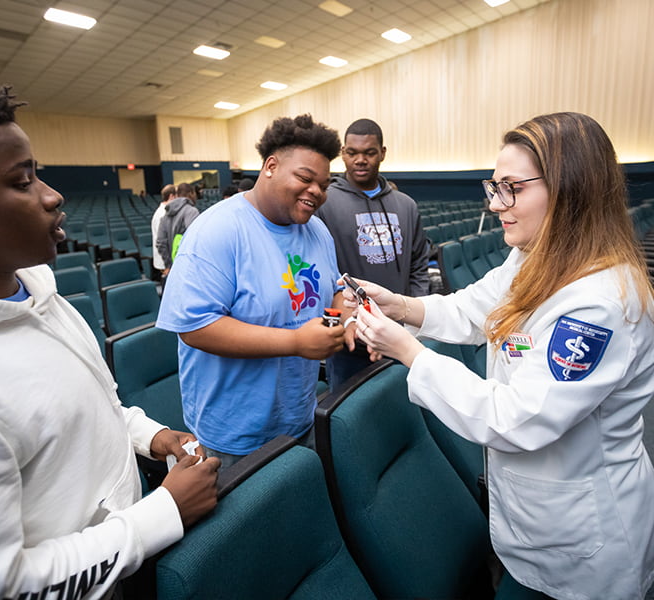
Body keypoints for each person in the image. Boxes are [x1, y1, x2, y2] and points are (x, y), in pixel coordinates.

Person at [0, 74, 220, 597]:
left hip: (118, 564)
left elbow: (87, 406)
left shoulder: (36, 296)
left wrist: (149, 436)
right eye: (22, 180)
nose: (51, 196)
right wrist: (162, 515)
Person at [347, 112, 654, 599]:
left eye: (512, 187)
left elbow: (517, 418)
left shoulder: (600, 303)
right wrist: (401, 305)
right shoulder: (535, 254)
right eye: (495, 186)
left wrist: (410, 353)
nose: (496, 204)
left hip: (585, 542)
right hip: (534, 524)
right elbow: (474, 309)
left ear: (569, 188)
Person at [156, 114, 347, 471]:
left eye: (324, 184)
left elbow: (332, 290)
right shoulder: (216, 230)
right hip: (232, 436)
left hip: (299, 418)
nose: (317, 192)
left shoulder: (318, 231)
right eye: (305, 178)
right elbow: (195, 327)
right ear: (271, 166)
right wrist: (295, 343)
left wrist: (343, 312)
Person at [316, 118, 428, 391]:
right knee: (350, 422)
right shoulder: (325, 203)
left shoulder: (405, 205)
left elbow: (418, 266)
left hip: (401, 333)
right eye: (352, 153)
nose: (360, 160)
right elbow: (323, 276)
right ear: (343, 153)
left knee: (403, 413)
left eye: (369, 152)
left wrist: (412, 319)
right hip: (350, 339)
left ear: (382, 153)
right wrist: (351, 322)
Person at [156, 182, 199, 283]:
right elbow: (195, 240)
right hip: (190, 269)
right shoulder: (191, 211)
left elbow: (160, 242)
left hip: (174, 268)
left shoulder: (165, 215)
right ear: (191, 193)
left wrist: (168, 265)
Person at [151, 183, 176, 280]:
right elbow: (161, 242)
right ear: (171, 196)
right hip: (165, 263)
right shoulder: (162, 214)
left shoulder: (166, 212)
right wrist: (167, 265)